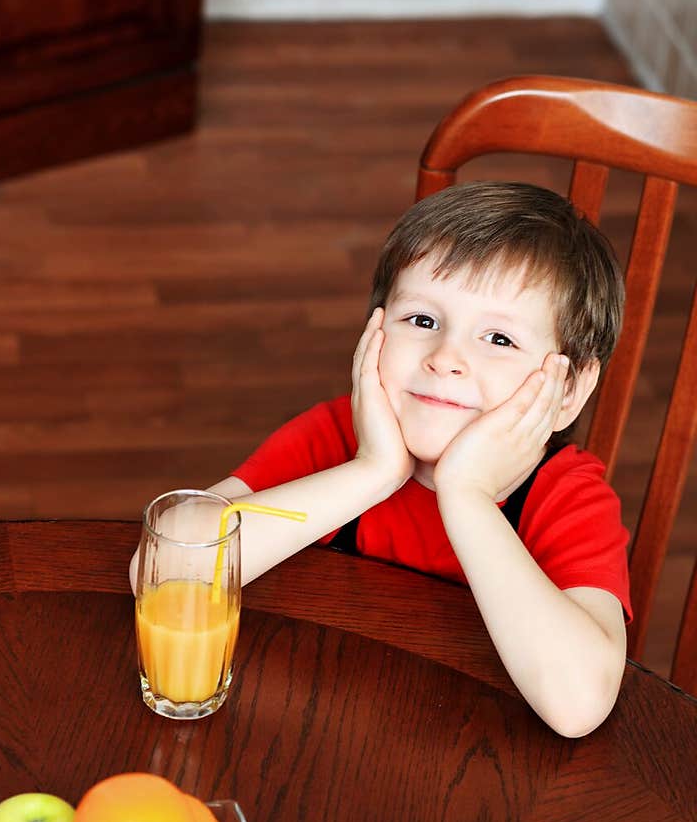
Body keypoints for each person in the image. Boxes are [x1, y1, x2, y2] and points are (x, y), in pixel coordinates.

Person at [132, 181, 631, 739]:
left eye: (498, 338)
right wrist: (370, 473)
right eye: (422, 321)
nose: (446, 359)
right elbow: (162, 571)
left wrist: (465, 494)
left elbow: (579, 705)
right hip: (320, 730)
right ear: (374, 330)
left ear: (570, 390)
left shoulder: (567, 495)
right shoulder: (337, 438)